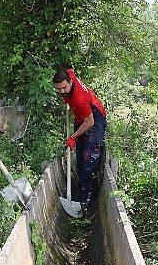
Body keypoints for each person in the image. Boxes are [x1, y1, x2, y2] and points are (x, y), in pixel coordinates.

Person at [53, 67, 107, 215]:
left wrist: (73, 137)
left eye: (64, 87)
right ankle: (81, 187)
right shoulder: (69, 76)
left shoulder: (79, 98)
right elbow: (70, 69)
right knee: (80, 158)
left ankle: (85, 200)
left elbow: (89, 122)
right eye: (59, 89)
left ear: (70, 82)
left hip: (95, 120)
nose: (62, 91)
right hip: (81, 117)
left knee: (89, 160)